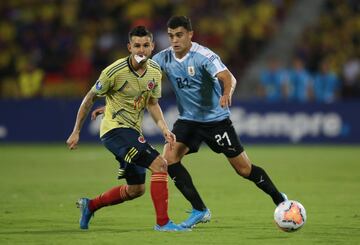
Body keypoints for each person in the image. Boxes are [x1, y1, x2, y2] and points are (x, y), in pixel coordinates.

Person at [93, 16, 287, 229]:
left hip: (216, 121)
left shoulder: (204, 56)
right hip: (188, 121)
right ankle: (200, 209)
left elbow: (228, 77)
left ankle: (281, 200)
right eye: (170, 36)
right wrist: (113, 105)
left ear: (190, 35)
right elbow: (139, 79)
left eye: (179, 35)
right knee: (169, 160)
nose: (174, 40)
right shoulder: (162, 59)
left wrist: (226, 94)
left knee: (243, 169)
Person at [66, 26, 188, 232]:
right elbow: (89, 97)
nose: (141, 50)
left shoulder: (155, 72)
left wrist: (164, 129)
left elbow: (151, 103)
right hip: (114, 131)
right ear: (129, 47)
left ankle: (90, 205)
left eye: (146, 45)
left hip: (132, 131)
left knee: (136, 189)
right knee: (160, 165)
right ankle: (163, 224)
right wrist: (76, 130)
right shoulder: (114, 71)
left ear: (152, 46)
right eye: (137, 46)